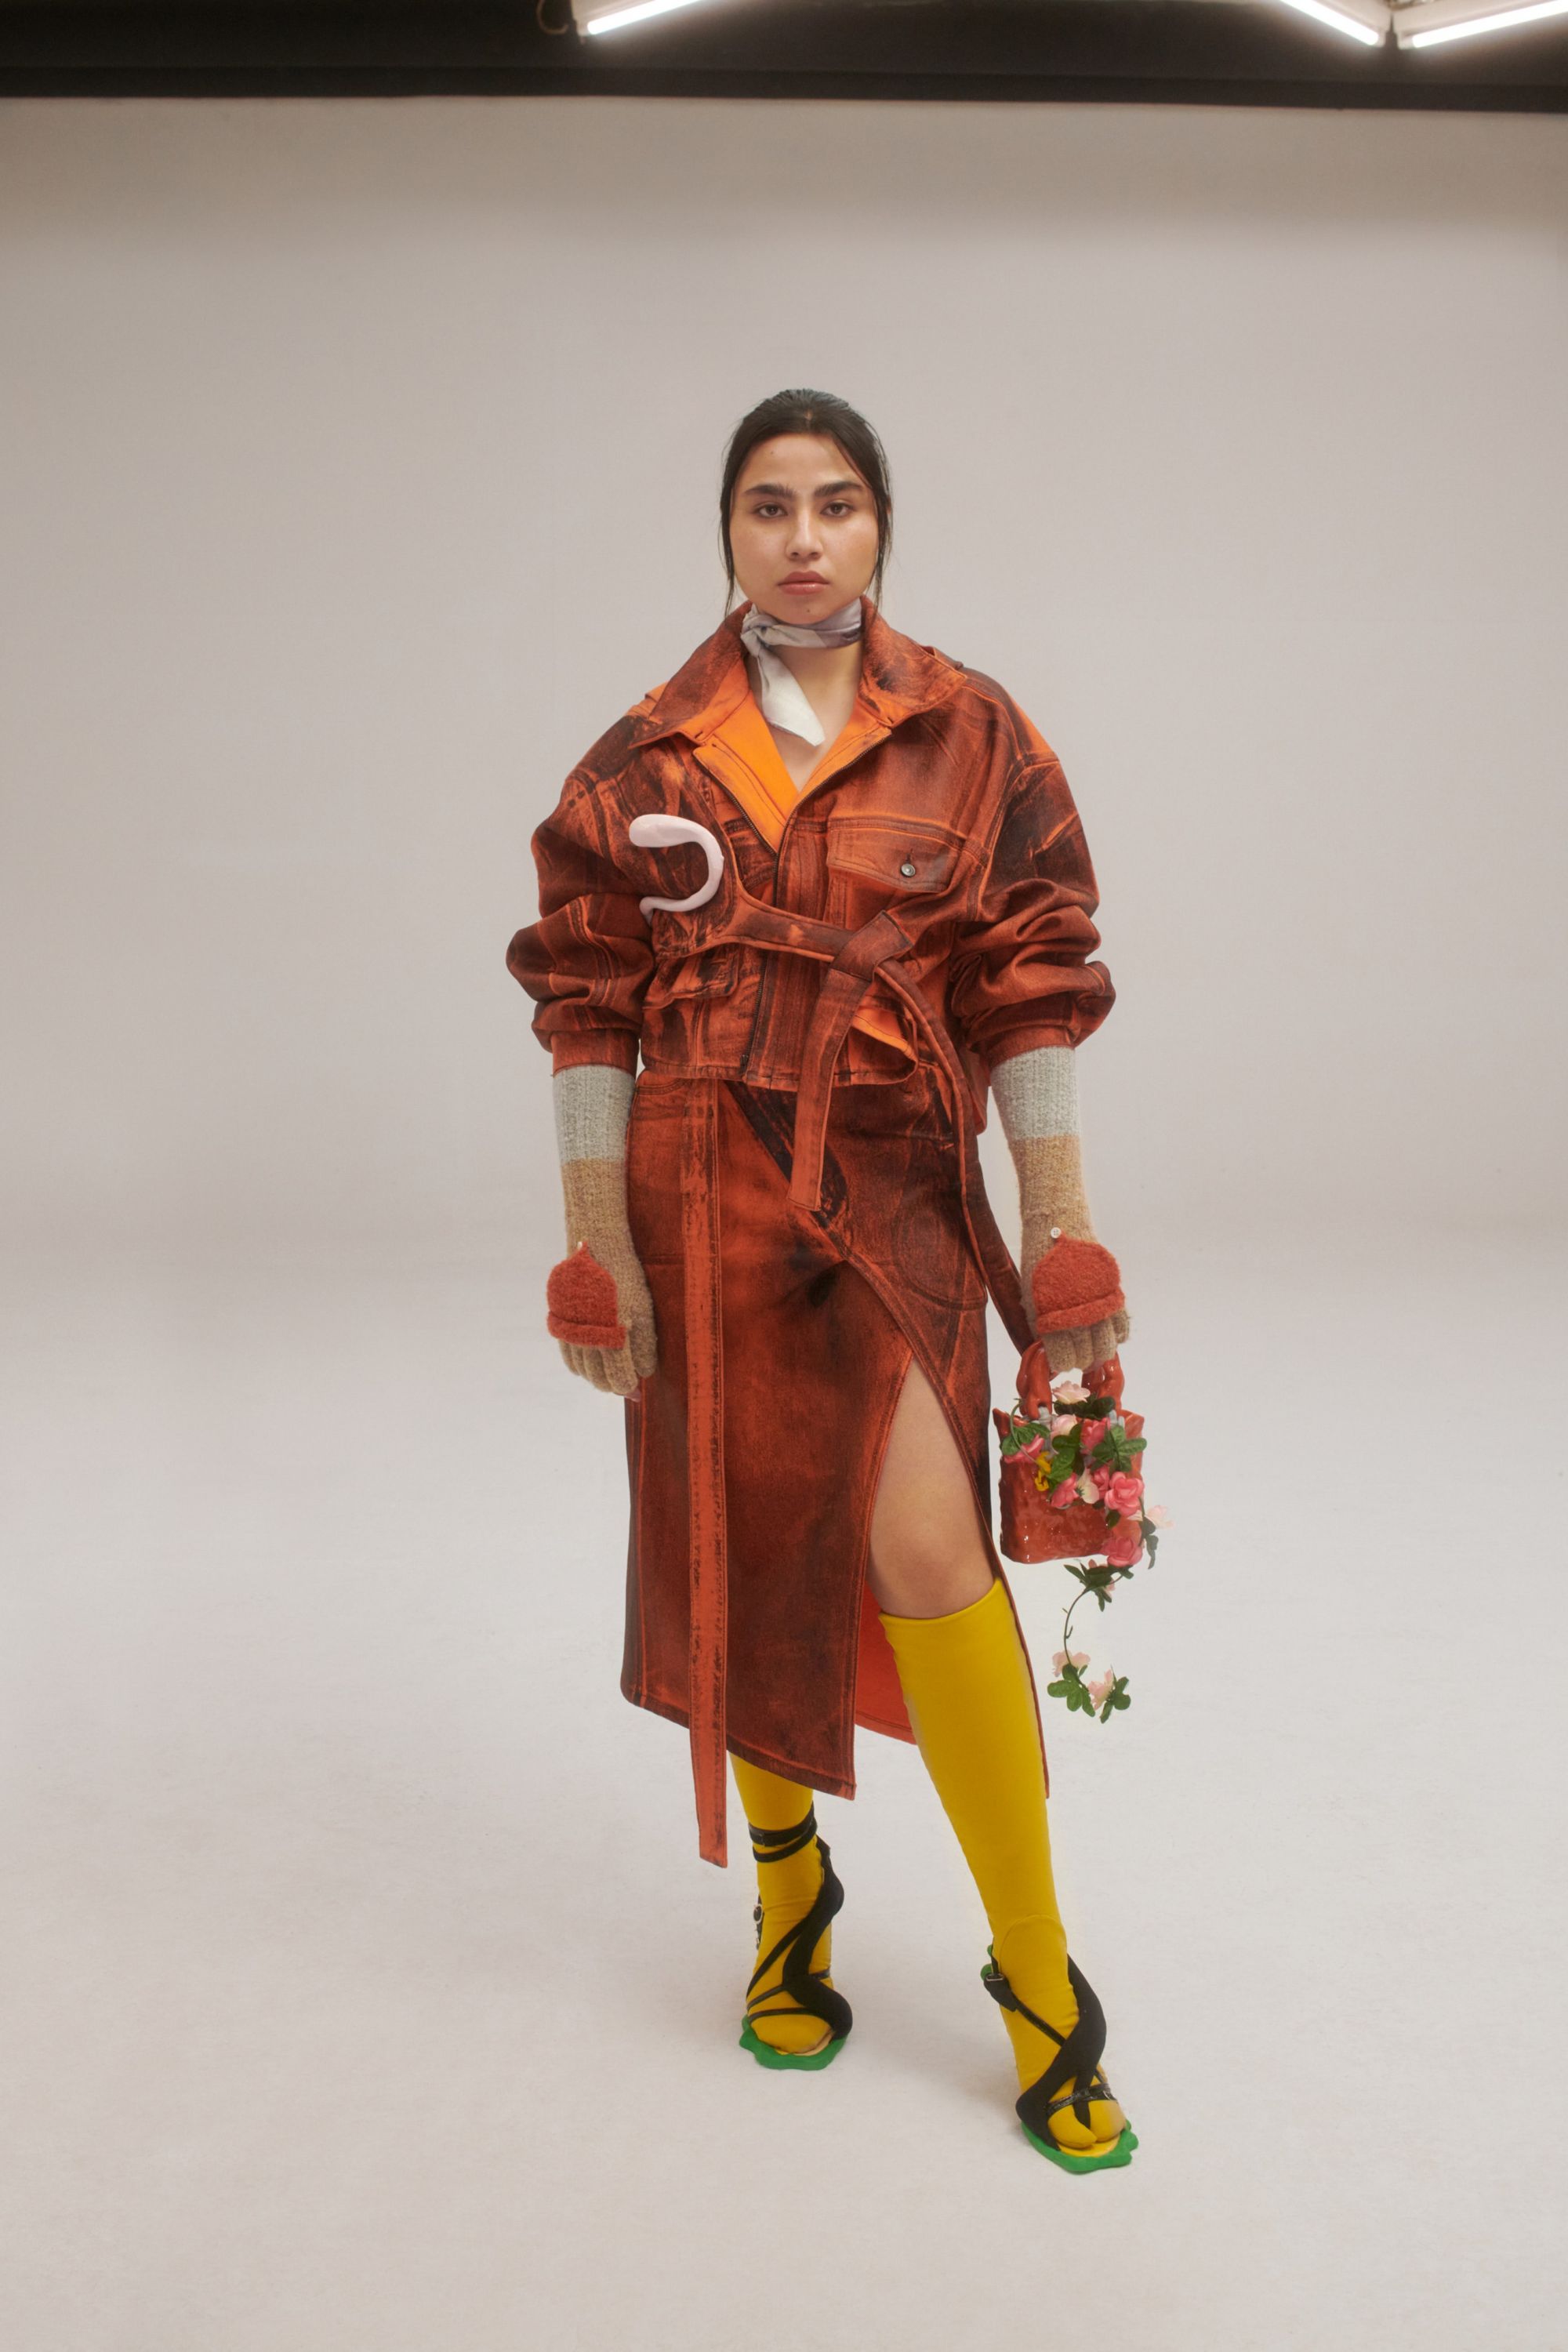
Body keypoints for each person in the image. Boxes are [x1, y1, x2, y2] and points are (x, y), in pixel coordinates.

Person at [506, 388, 1138, 2172]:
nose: (803, 537)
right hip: (697, 1187)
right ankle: (790, 1898)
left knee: (932, 1552)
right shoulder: (643, 759)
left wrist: (1063, 1224)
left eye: (837, 503)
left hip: (896, 1183)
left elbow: (1030, 982)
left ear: (881, 528)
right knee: (745, 1541)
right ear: (727, 531)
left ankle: (1040, 1977)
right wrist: (592, 1237)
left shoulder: (975, 735)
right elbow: (587, 1001)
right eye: (770, 504)